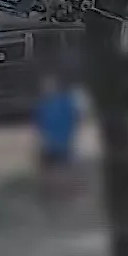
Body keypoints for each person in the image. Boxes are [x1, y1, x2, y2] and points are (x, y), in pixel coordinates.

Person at [32, 72, 81, 208]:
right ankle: (51, 195)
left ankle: (67, 194)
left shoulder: (64, 102)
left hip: (62, 141)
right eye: (45, 86)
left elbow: (74, 118)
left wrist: (68, 135)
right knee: (49, 169)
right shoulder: (43, 104)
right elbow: (39, 123)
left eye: (49, 86)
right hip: (49, 142)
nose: (47, 89)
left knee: (64, 168)